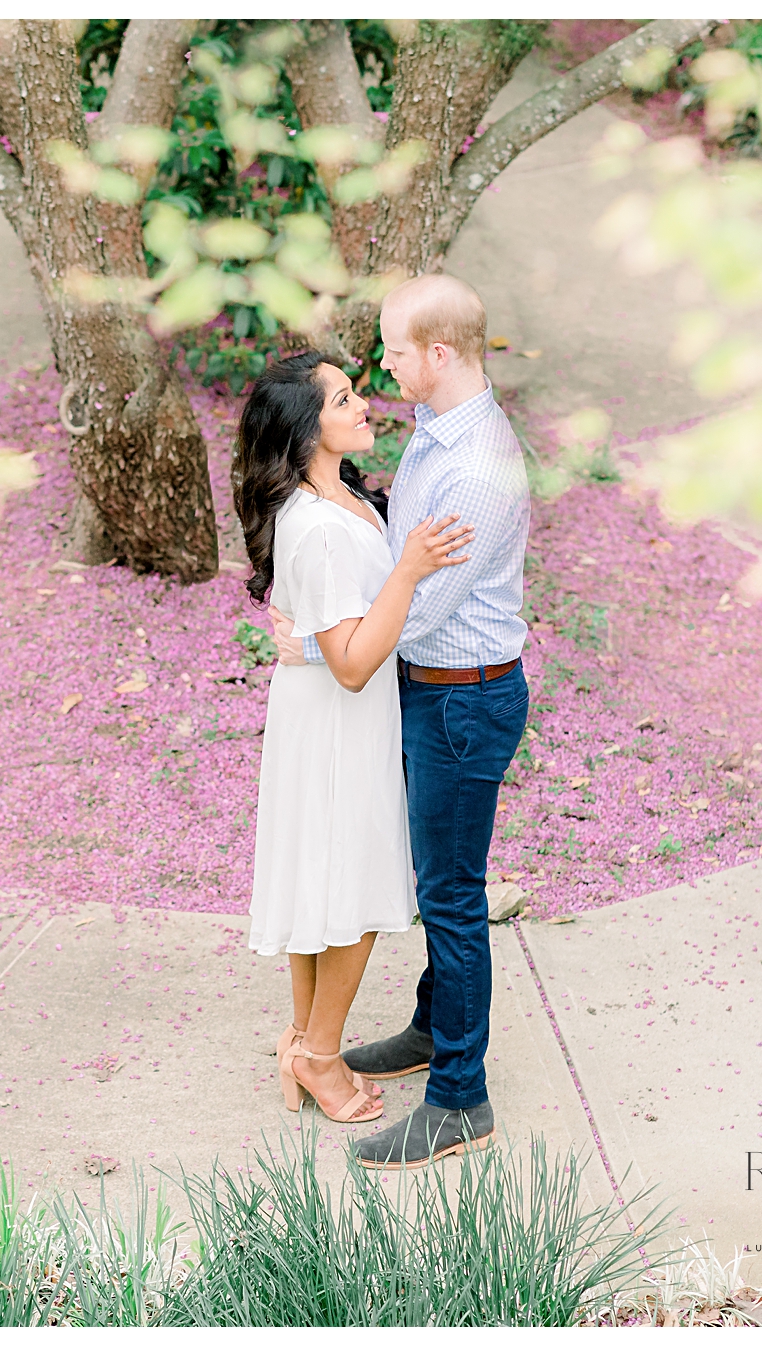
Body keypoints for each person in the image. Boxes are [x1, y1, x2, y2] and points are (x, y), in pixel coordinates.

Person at [270, 274, 531, 1170]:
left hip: (462, 695)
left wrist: (320, 642)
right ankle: (431, 1026)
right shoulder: (434, 435)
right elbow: (392, 554)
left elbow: (409, 614)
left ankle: (461, 1096)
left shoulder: (476, 468)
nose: (382, 365)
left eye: (395, 349)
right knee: (437, 887)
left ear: (442, 355)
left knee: (451, 899)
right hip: (429, 690)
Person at [236, 350, 474, 1126]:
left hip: (332, 717)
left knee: (325, 886)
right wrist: (407, 571)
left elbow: (331, 635)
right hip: (339, 720)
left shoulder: (343, 502)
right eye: (343, 399)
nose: (363, 404)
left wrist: (308, 637)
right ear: (308, 431)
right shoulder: (321, 528)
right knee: (358, 894)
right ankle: (319, 1056)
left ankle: (306, 1039)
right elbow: (352, 662)